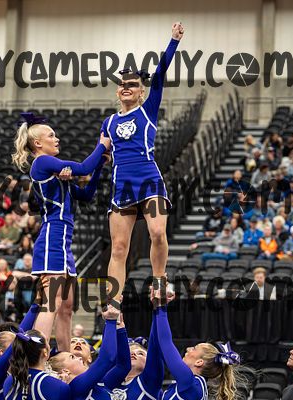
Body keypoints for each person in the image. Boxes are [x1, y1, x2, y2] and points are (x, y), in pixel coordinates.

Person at [12, 112, 111, 352]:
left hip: (63, 242)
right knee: (52, 302)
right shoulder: (42, 163)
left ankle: (65, 359)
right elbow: (83, 167)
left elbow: (86, 195)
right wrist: (102, 145)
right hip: (52, 237)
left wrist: (100, 166)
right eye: (51, 135)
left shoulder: (55, 172)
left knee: (66, 308)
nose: (56, 139)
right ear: (38, 143)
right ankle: (38, 357)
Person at [102, 23, 183, 305]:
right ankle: (113, 303)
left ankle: (159, 281)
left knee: (157, 232)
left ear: (141, 92)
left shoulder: (148, 111)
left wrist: (173, 42)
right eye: (122, 85)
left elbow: (159, 75)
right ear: (117, 92)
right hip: (122, 185)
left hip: (149, 179)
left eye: (133, 85)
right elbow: (99, 155)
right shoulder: (109, 122)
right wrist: (75, 173)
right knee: (119, 248)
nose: (126, 88)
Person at [152, 289, 241, 400]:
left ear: (199, 362)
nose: (188, 349)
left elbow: (165, 342)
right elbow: (162, 340)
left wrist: (161, 306)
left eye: (194, 348)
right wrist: (157, 307)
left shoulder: (189, 383)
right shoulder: (195, 385)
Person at [47, 305, 120, 400]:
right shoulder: (76, 386)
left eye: (83, 343)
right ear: (65, 371)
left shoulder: (97, 380)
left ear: (90, 357)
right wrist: (110, 320)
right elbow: (106, 359)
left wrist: (119, 327)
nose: (79, 358)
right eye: (72, 357)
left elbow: (123, 366)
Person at [111, 312, 163, 399]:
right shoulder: (110, 382)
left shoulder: (149, 384)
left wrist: (158, 310)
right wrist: (113, 324)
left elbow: (156, 344)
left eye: (140, 353)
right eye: (129, 352)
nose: (133, 354)